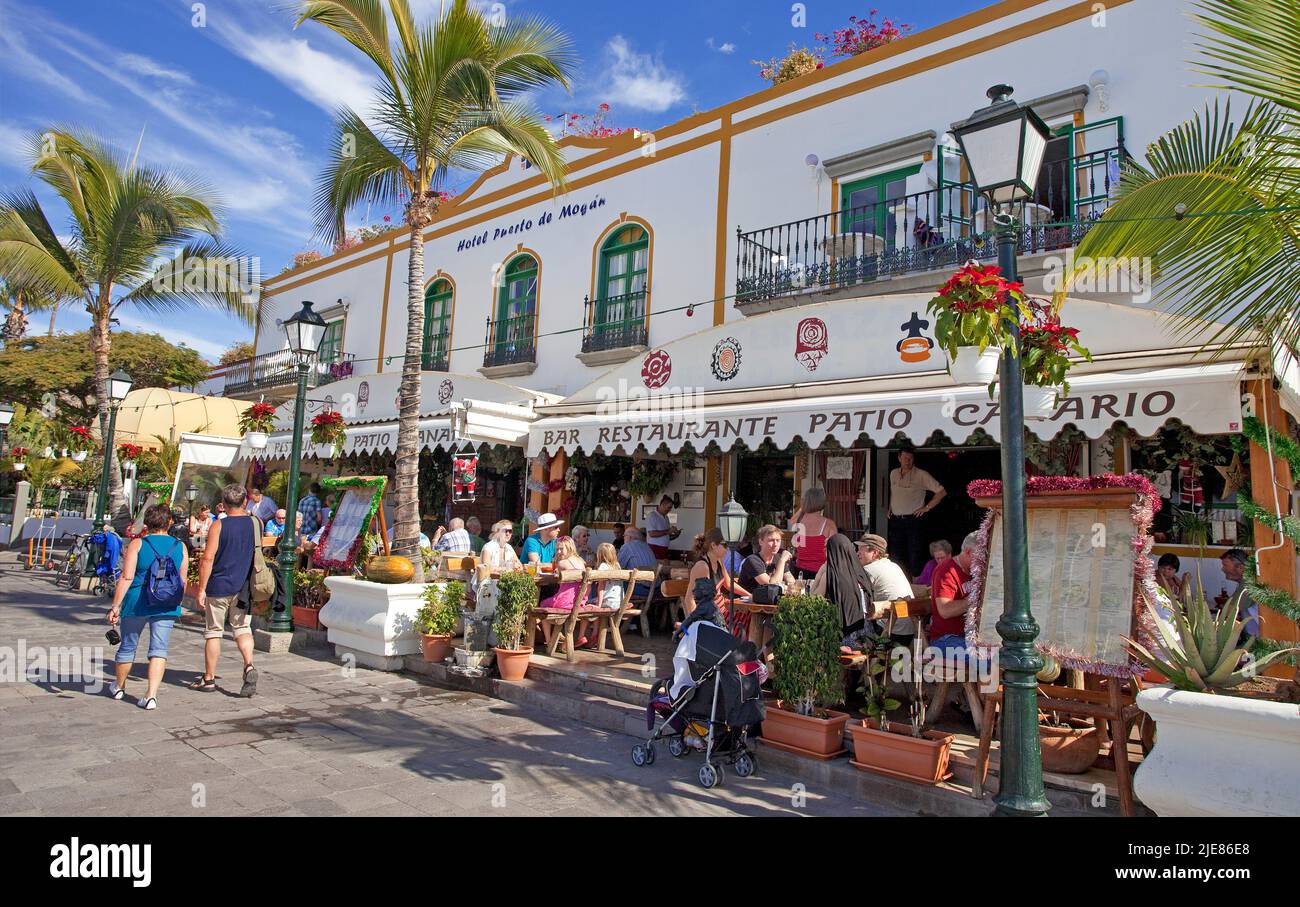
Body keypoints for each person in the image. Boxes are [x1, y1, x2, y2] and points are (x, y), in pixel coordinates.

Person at [107, 504, 188, 710]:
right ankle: (151, 695)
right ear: (169, 522)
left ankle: (119, 687)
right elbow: (182, 580)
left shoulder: (138, 544)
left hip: (137, 601)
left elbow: (126, 577)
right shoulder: (180, 546)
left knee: (128, 645)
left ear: (147, 523)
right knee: (159, 649)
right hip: (166, 603)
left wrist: (115, 605)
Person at [192, 483, 259, 697]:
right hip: (243, 586)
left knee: (214, 632)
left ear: (223, 504)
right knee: (242, 629)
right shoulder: (255, 523)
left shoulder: (219, 526)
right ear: (244, 501)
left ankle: (209, 677)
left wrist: (201, 589)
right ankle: (249, 665)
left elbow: (208, 558)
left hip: (220, 585)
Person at [887, 444, 946, 577]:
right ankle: (897, 582)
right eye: (905, 458)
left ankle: (917, 585)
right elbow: (894, 492)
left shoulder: (921, 474)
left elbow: (941, 492)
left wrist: (927, 507)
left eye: (911, 458)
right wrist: (890, 507)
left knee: (915, 554)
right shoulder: (894, 473)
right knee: (896, 554)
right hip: (896, 519)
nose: (908, 461)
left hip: (913, 519)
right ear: (899, 458)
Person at [929, 530, 980, 659]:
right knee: (988, 659)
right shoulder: (946, 570)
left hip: (970, 637)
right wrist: (976, 598)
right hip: (946, 639)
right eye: (981, 557)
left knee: (1004, 656)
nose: (983, 561)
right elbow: (945, 610)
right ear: (968, 552)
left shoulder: (975, 571)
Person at [855, 534, 916, 638]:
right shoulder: (892, 565)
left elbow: (853, 591)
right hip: (910, 628)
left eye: (862, 549)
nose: (857, 553)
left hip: (891, 631)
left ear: (874, 553)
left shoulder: (870, 569)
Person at [813, 533, 872, 637]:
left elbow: (813, 601)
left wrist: (819, 574)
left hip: (844, 636)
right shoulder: (862, 573)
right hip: (867, 633)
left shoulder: (830, 576)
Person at [683, 528, 733, 619]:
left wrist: (749, 595)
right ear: (713, 545)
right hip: (713, 618)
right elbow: (689, 599)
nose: (728, 549)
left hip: (722, 613)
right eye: (725, 545)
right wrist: (698, 623)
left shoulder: (719, 561)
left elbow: (729, 584)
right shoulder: (702, 566)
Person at [791, 486, 837, 579]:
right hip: (820, 572)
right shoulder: (828, 524)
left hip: (800, 570)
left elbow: (792, 521)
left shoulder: (800, 519)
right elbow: (834, 550)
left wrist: (803, 507)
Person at [738, 524, 794, 594]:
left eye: (778, 540)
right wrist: (782, 561)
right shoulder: (752, 560)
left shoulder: (778, 558)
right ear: (761, 542)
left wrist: (788, 586)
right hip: (747, 602)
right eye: (771, 540)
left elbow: (791, 581)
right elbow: (772, 587)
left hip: (767, 601)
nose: (775, 544)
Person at [1220, 548, 1261, 638]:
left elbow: (1231, 611)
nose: (1222, 569)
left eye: (1225, 565)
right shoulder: (1245, 581)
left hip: (1258, 640)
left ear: (1241, 567)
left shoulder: (1248, 583)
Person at [617, 526, 658, 602]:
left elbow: (617, 567)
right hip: (655, 589)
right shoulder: (647, 546)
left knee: (611, 584)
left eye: (624, 536)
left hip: (641, 589)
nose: (623, 538)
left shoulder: (627, 546)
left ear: (629, 537)